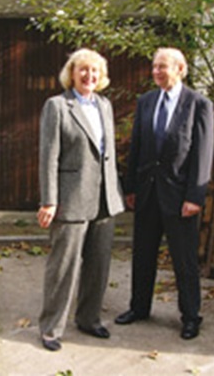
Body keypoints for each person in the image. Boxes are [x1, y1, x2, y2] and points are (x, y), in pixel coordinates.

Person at [115, 47, 214, 340]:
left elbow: (203, 154)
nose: (156, 72)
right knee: (143, 255)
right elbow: (136, 147)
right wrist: (130, 187)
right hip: (147, 193)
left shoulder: (199, 104)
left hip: (180, 197)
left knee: (184, 261)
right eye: (154, 67)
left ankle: (191, 317)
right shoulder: (146, 101)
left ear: (180, 69)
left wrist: (195, 196)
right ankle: (139, 307)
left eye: (162, 67)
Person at [37, 48, 125, 351]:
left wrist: (117, 191)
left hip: (105, 198)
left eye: (95, 71)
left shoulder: (105, 105)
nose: (89, 75)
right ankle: (51, 328)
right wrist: (49, 200)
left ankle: (89, 319)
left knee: (98, 266)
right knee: (63, 267)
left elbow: (106, 154)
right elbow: (48, 157)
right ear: (71, 74)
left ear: (102, 76)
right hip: (71, 199)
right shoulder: (57, 106)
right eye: (83, 70)